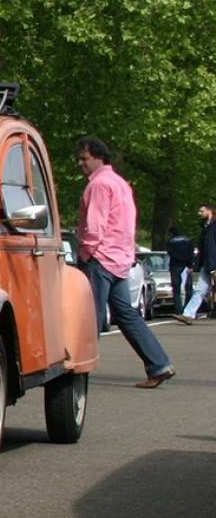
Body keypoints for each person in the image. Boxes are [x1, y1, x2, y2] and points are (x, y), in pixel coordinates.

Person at [75, 137, 173, 386]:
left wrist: (85, 252)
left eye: (84, 158)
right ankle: (159, 364)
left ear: (99, 157)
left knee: (91, 315)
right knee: (126, 314)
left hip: (100, 257)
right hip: (119, 258)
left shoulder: (98, 185)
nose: (80, 163)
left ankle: (77, 372)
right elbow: (129, 222)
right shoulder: (120, 183)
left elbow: (94, 226)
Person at [174, 203, 216, 323]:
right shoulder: (206, 227)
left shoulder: (213, 227)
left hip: (213, 264)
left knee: (201, 290)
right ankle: (188, 315)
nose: (199, 214)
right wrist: (197, 265)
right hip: (208, 265)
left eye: (201, 211)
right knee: (200, 290)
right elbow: (204, 249)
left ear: (209, 211)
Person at [166, 221, 197, 318]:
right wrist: (190, 264)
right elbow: (191, 253)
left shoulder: (171, 242)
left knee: (176, 289)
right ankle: (188, 310)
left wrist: (179, 259)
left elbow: (170, 253)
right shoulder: (188, 240)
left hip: (175, 266)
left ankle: (179, 311)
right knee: (189, 289)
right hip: (187, 266)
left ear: (171, 233)